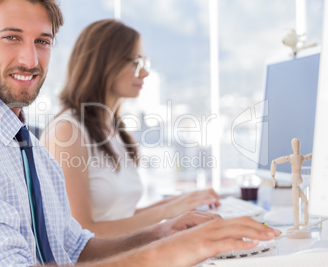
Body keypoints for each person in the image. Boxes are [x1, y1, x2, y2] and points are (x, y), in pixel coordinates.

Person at [0, 0, 280, 266]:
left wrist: (162, 232)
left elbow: (73, 247)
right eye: (11, 37)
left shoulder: (24, 144)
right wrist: (170, 251)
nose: (31, 59)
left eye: (42, 41)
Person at [40, 19, 221, 238]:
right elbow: (82, 234)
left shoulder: (114, 130)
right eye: (136, 62)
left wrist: (181, 203)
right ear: (104, 63)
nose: (144, 73)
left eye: (145, 63)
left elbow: (120, 216)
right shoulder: (67, 131)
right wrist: (166, 212)